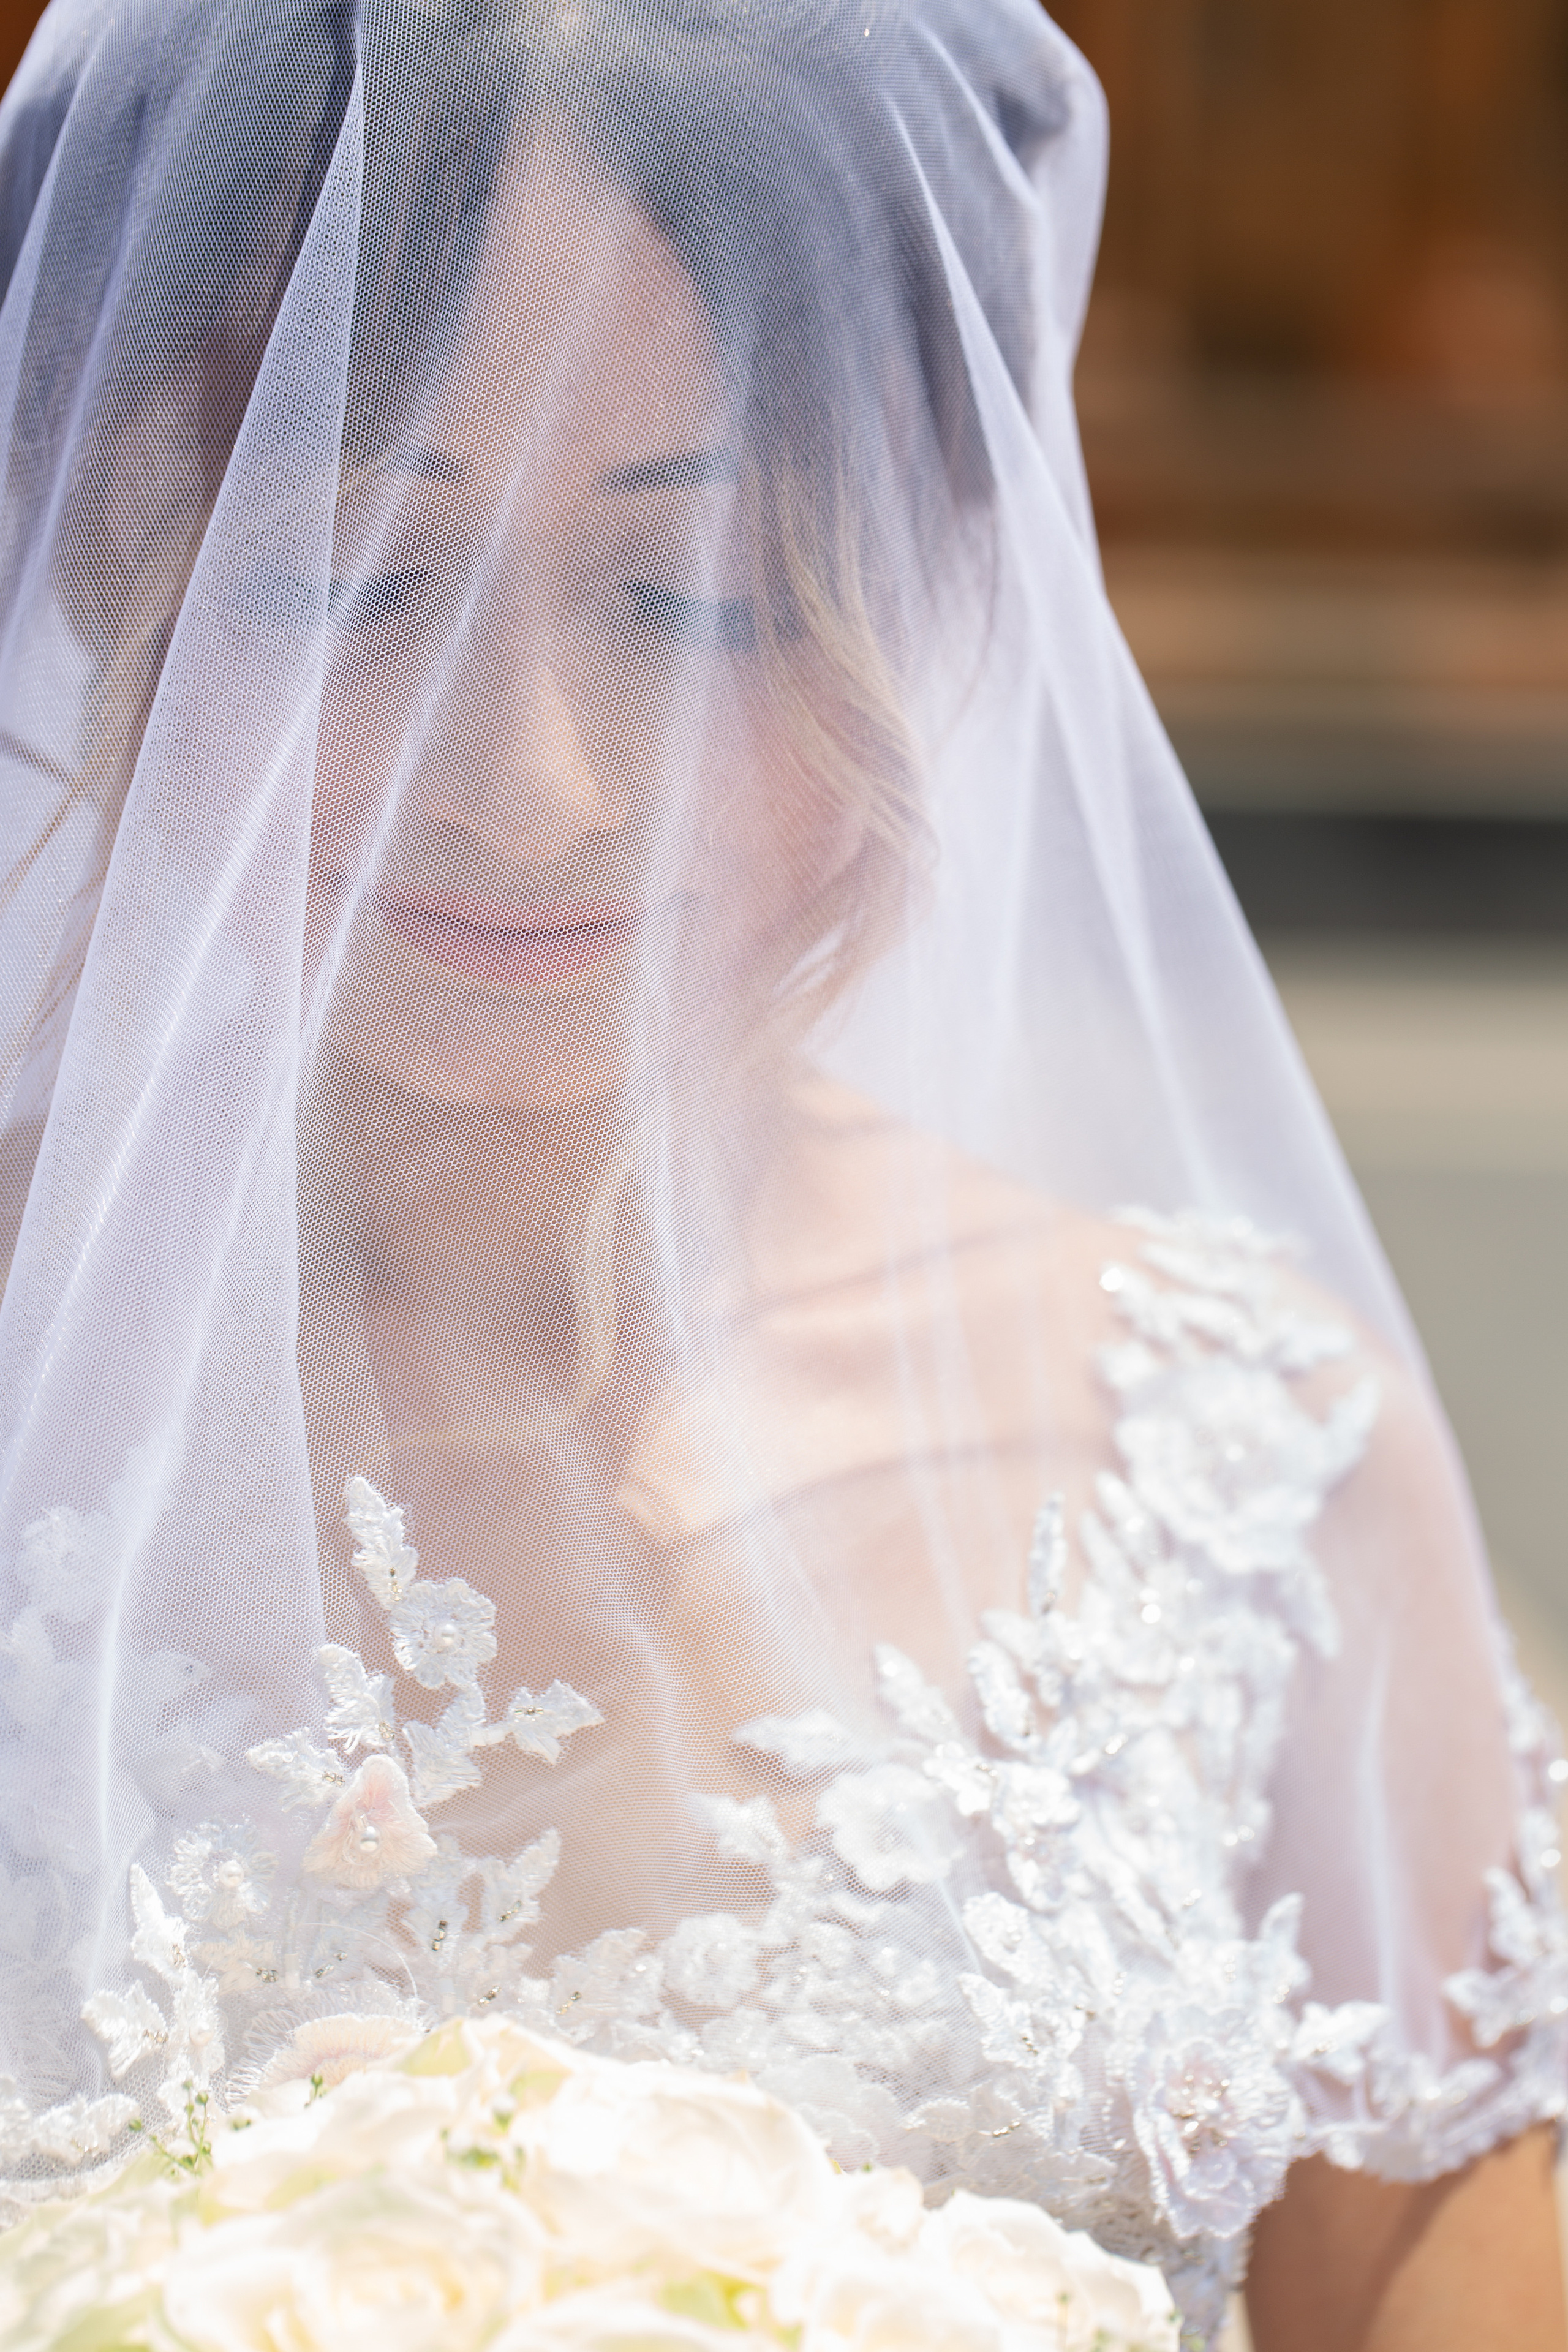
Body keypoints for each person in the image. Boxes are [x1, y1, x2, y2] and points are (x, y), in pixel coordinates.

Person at [0, 0, 1561, 2342]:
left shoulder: (1242, 1453)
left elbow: (1435, 2253)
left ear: (926, 568)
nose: (529, 785)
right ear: (136, 535)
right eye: (359, 585)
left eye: (697, 601)